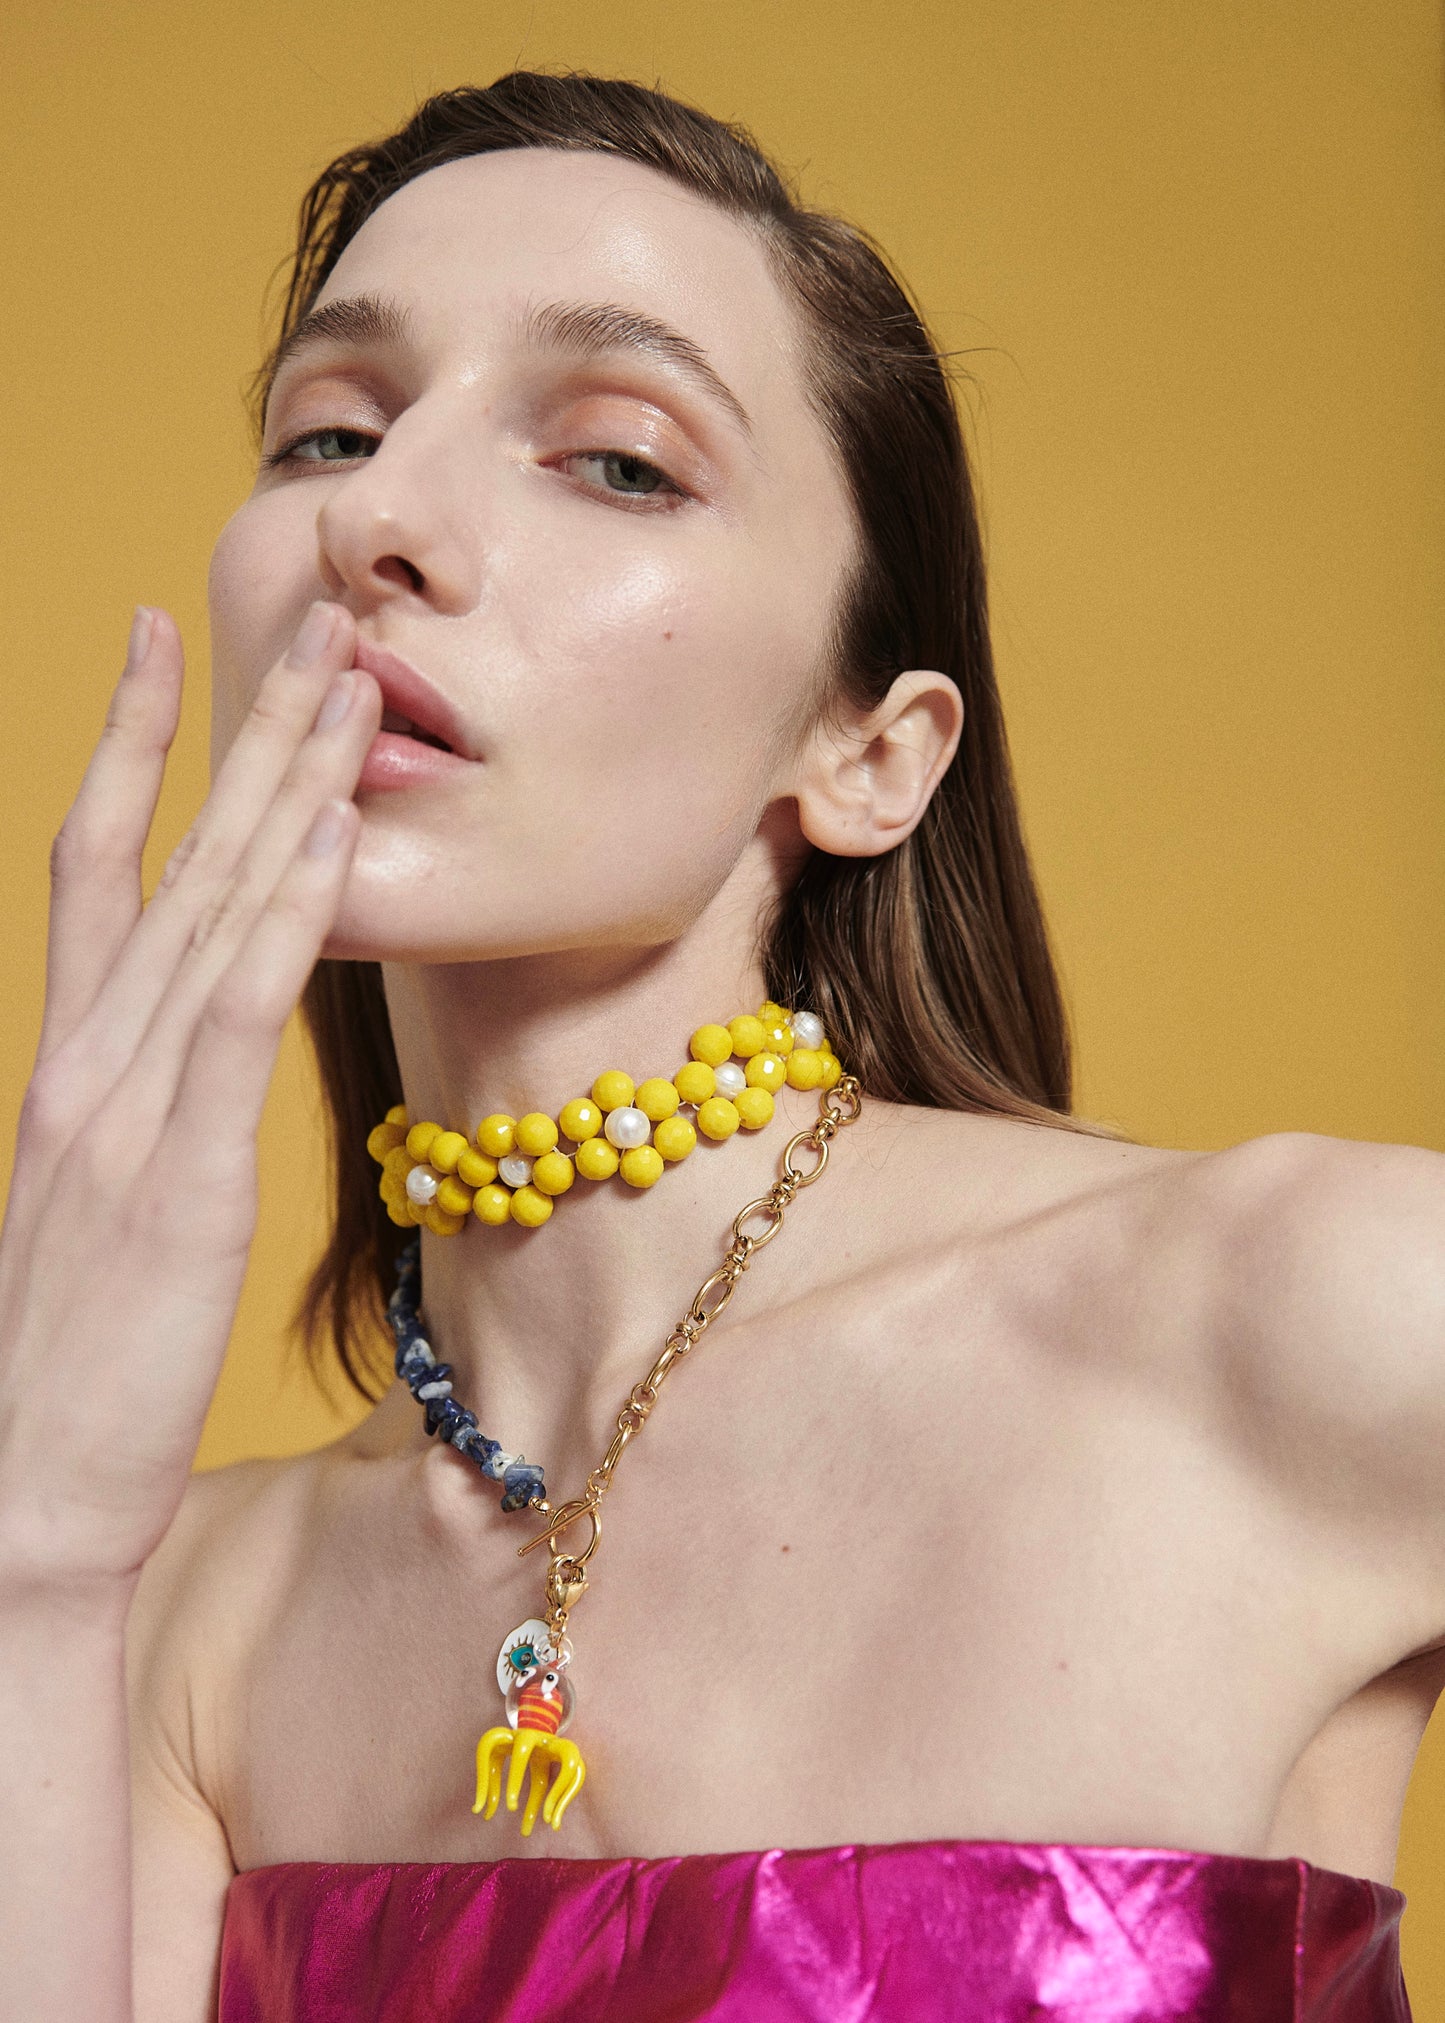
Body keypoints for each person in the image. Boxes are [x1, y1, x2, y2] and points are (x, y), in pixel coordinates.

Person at [0, 69, 1438, 2023]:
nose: (378, 517)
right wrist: (41, 1546)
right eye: (330, 430)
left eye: (616, 461)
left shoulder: (1295, 1321)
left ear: (869, 752)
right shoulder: (167, 1612)